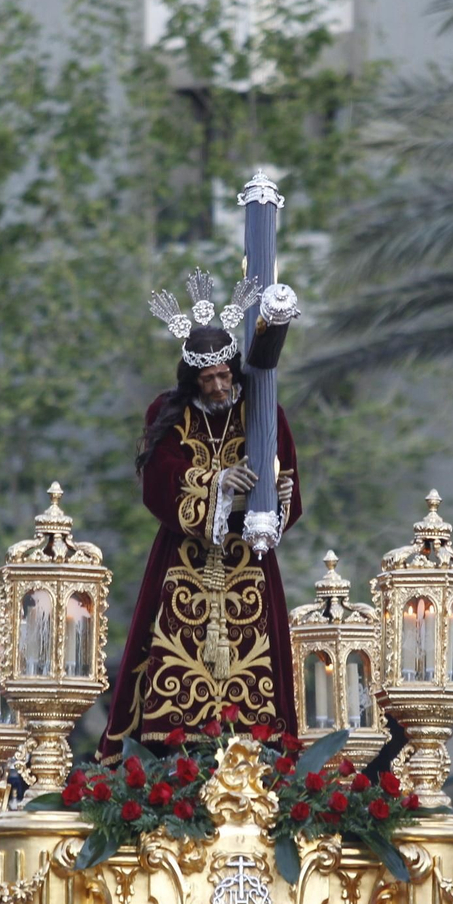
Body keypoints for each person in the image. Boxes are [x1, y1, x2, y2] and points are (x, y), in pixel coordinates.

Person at [98, 271, 301, 761]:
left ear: (234, 368)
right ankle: (170, 765)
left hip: (247, 562)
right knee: (169, 657)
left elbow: (285, 468)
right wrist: (215, 483)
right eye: (207, 379)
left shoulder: (261, 407)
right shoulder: (166, 413)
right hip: (185, 556)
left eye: (224, 376)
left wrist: (279, 495)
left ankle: (263, 762)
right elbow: (159, 478)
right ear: (192, 378)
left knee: (259, 665)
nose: (217, 386)